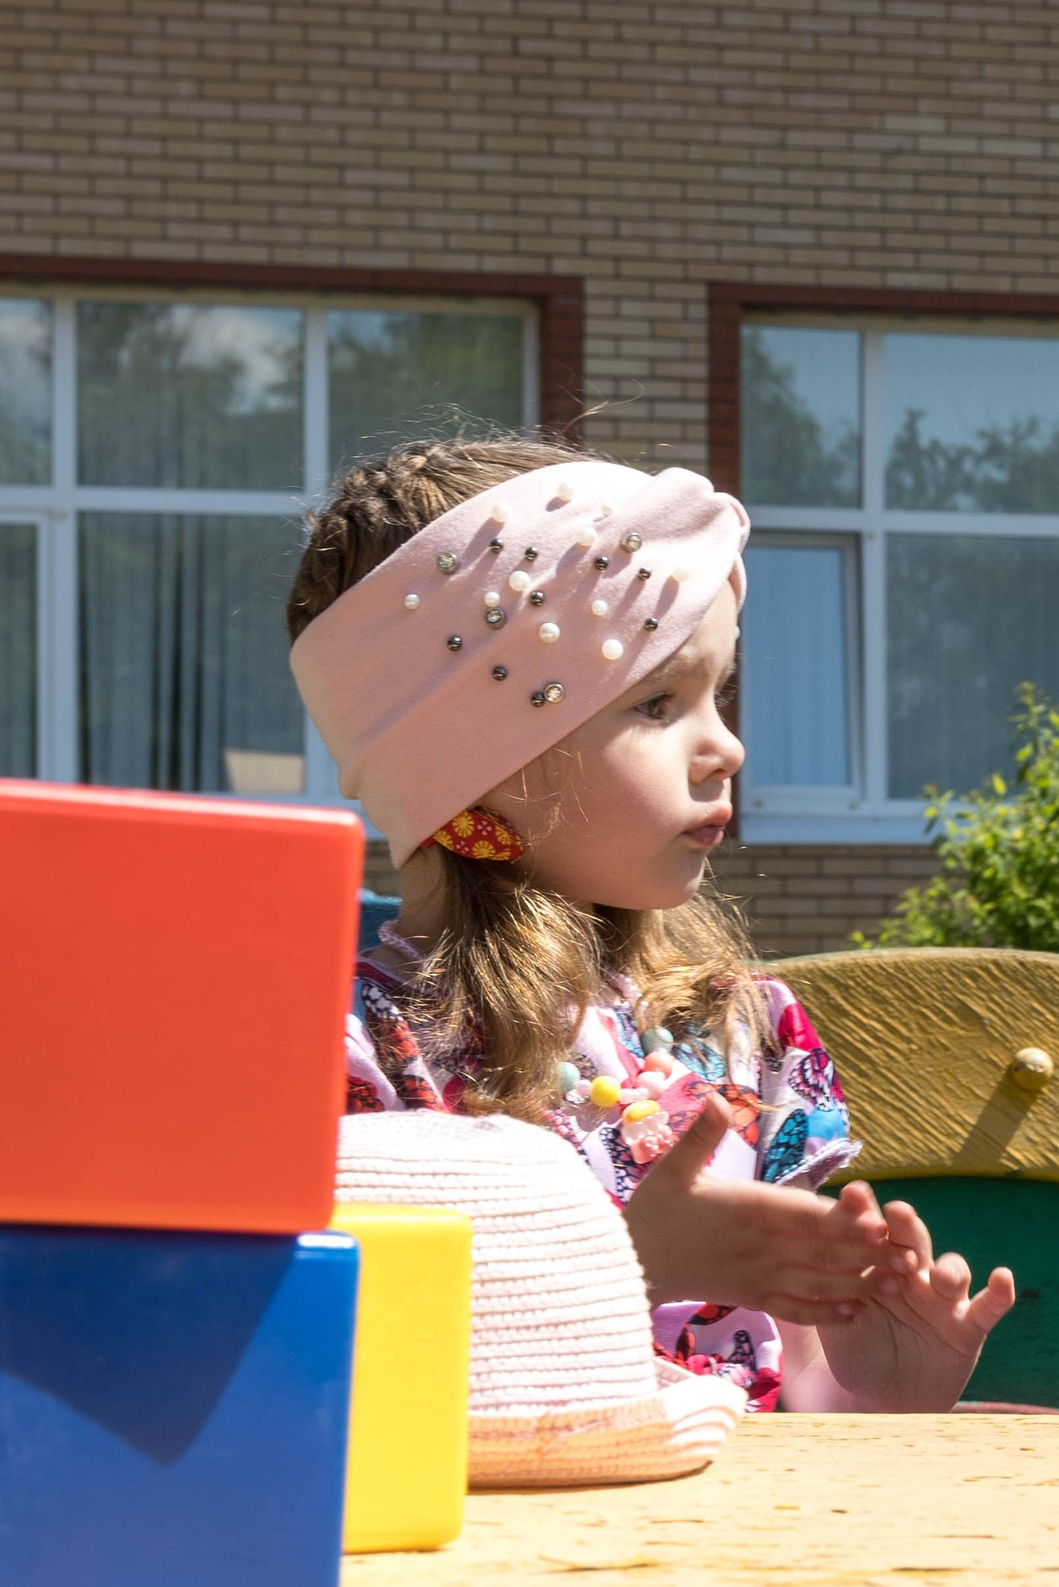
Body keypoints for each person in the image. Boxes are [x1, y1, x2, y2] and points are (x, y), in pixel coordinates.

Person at [291, 438, 1014, 1414]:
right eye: (659, 702)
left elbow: (785, 1379)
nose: (726, 746)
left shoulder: (737, 1032)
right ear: (471, 765)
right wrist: (628, 1264)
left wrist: (876, 1392)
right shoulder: (354, 1066)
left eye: (716, 692)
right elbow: (360, 1387)